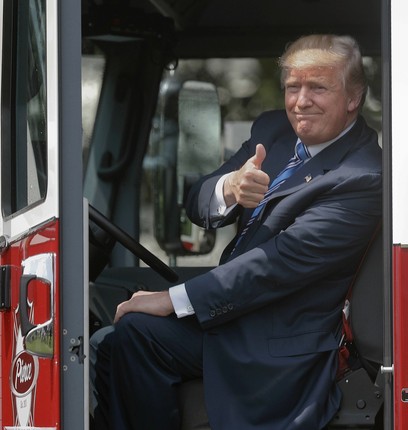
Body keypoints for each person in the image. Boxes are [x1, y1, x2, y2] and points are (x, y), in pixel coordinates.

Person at [92, 34, 382, 430]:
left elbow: (275, 265)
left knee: (135, 336)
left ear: (353, 97)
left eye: (318, 88)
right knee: (110, 345)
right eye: (293, 87)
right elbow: (195, 202)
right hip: (238, 311)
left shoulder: (361, 177)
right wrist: (227, 188)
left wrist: (171, 300)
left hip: (276, 336)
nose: (300, 102)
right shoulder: (275, 130)